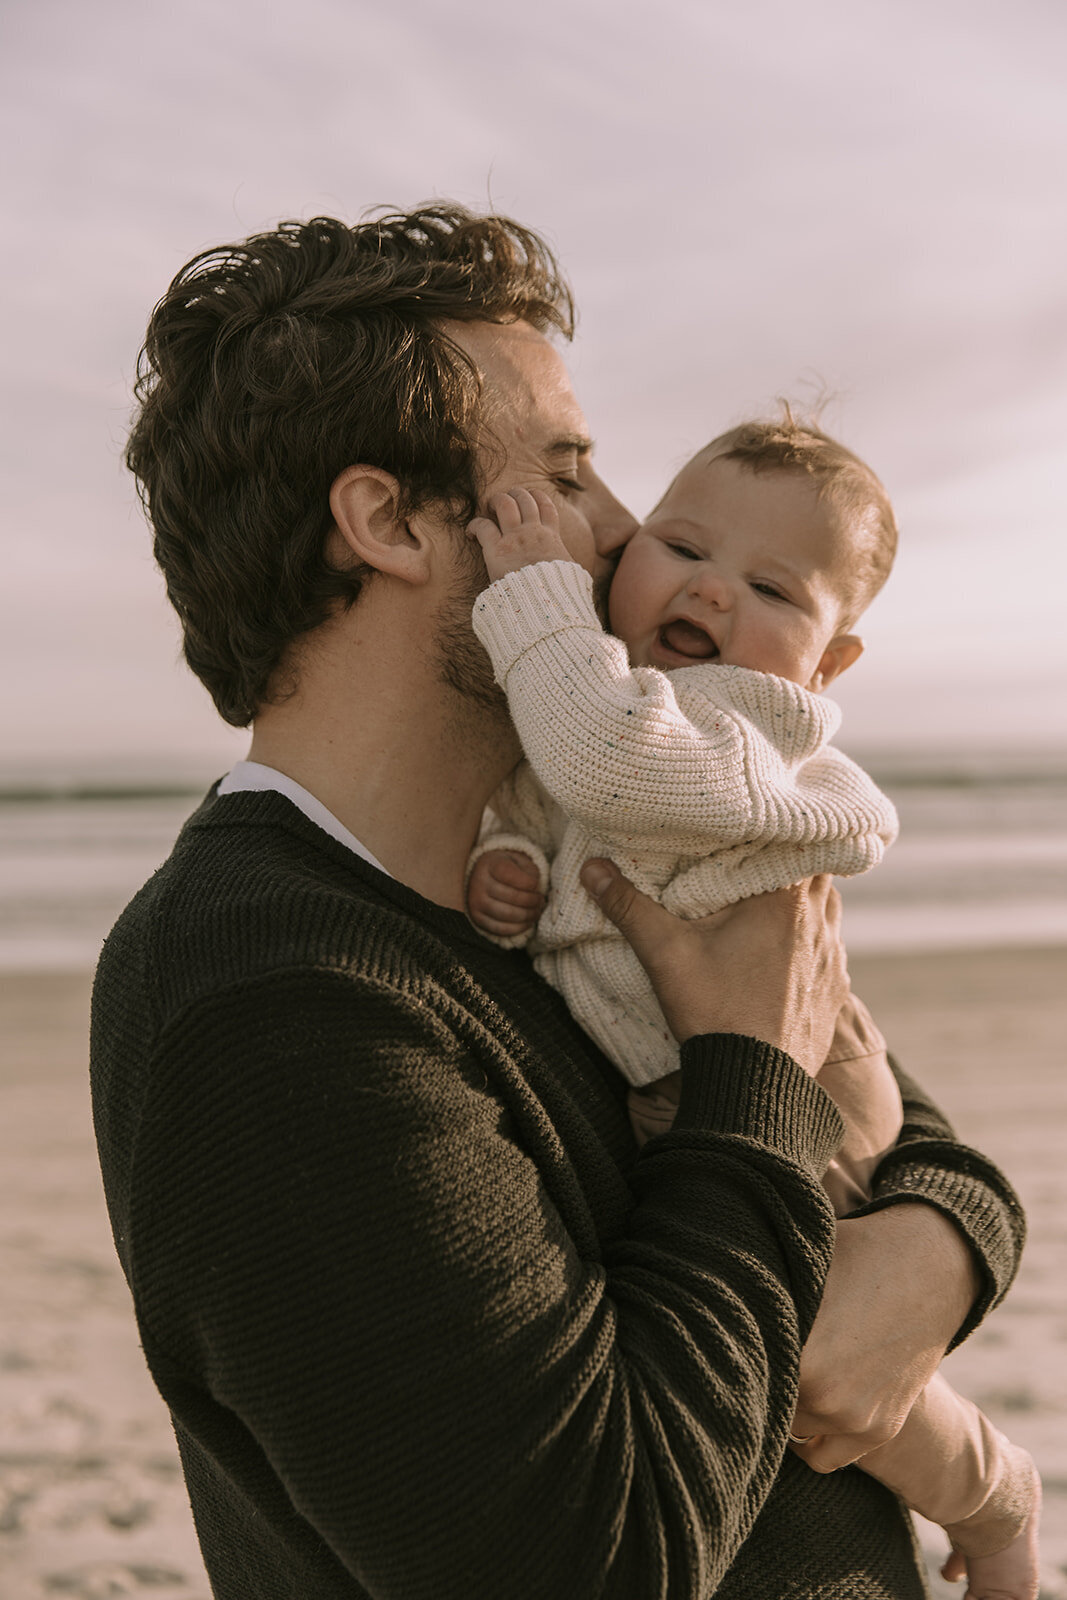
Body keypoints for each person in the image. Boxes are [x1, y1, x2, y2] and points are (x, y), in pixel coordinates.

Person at [91, 205, 1028, 1600]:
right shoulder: (268, 996)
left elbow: (863, 1083)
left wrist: (944, 1243)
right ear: (388, 522)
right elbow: (594, 1560)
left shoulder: (560, 861)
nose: (623, 530)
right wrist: (751, 1075)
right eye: (564, 472)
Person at [463, 423, 1040, 1598]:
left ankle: (991, 1499)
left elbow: (611, 766)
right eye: (681, 546)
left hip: (808, 1087)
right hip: (697, 1077)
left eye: (772, 590)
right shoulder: (612, 700)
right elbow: (544, 798)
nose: (712, 589)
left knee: (822, 1351)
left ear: (827, 662)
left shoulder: (741, 722)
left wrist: (536, 596)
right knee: (788, 1339)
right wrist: (506, 858)